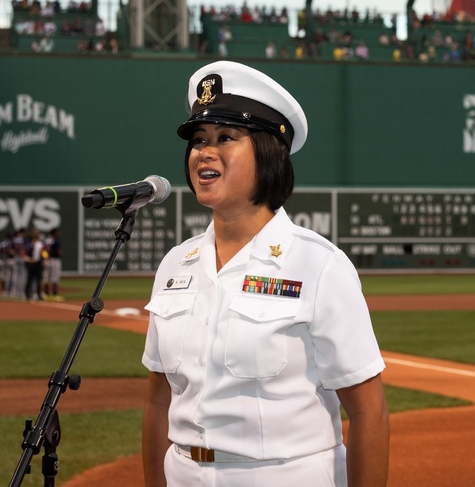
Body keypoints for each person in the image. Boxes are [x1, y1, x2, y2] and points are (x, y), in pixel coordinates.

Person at [142, 61, 389, 487]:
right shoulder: (174, 265)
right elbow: (158, 402)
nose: (205, 151)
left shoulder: (319, 265)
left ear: (269, 153)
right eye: (198, 140)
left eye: (226, 138)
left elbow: (369, 410)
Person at [42, 228, 63, 301]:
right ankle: (55, 294)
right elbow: (59, 252)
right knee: (55, 277)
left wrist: (45, 257)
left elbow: (43, 250)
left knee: (46, 277)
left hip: (47, 259)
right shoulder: (56, 241)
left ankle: (46, 294)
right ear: (54, 233)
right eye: (57, 232)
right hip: (55, 260)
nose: (59, 233)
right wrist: (60, 253)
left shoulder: (47, 240)